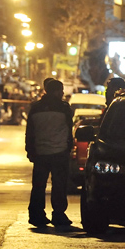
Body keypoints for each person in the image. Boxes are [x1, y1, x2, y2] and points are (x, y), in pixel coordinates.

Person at [26, 79, 74, 228]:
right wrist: (68, 148)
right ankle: (58, 214)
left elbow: (30, 132)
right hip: (59, 152)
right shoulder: (64, 108)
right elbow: (68, 131)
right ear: (56, 91)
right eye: (60, 91)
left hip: (40, 152)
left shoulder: (35, 108)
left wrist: (30, 150)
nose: (62, 93)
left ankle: (36, 214)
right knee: (59, 185)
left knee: (39, 185)